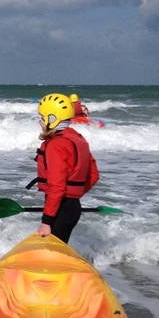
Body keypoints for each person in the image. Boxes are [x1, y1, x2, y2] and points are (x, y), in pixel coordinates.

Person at [26, 93, 99, 243]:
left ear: (51, 119)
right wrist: (73, 197)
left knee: (50, 257)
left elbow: (57, 186)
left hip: (59, 211)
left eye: (42, 117)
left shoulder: (56, 145)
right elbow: (93, 175)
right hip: (71, 208)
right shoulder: (78, 138)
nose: (40, 122)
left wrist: (46, 221)